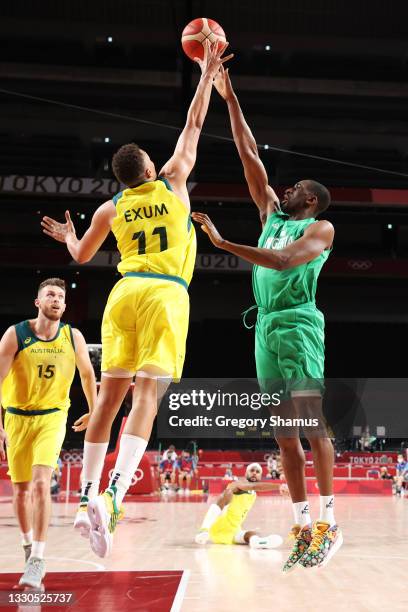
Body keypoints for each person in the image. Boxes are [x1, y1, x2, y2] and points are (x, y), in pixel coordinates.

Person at [40, 42, 233, 559]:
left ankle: (84, 500)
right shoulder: (171, 183)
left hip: (121, 294)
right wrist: (206, 72)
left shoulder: (111, 205)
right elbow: (194, 124)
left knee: (106, 400)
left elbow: (80, 256)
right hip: (166, 294)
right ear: (150, 168)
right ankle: (115, 494)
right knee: (146, 398)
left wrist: (67, 235)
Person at [192, 65, 342, 572]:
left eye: (298, 185)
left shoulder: (320, 228)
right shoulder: (271, 216)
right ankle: (302, 522)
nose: (288, 187)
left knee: (310, 420)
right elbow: (247, 152)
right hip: (267, 327)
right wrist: (228, 95)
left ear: (312, 200)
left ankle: (328, 520)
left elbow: (280, 261)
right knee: (283, 433)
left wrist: (222, 244)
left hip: (299, 323)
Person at [0, 278, 96, 589]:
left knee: (42, 483)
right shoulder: (15, 335)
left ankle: (38, 559)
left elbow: (86, 373)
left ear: (65, 306)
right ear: (37, 302)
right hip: (16, 417)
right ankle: (28, 545)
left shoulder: (73, 336)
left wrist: (95, 411)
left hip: (52, 417)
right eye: (49, 295)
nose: (55, 299)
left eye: (60, 296)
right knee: (21, 490)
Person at [195, 463, 282, 549]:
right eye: (252, 470)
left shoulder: (253, 494)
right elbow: (254, 486)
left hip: (234, 530)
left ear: (260, 476)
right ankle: (203, 530)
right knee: (226, 493)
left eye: (257, 471)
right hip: (219, 526)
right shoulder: (237, 484)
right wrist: (280, 486)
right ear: (246, 474)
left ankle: (256, 542)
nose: (254, 473)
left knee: (253, 534)